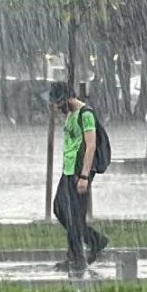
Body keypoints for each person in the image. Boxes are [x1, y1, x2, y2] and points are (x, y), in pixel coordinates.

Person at [47, 82, 109, 274]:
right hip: (68, 170)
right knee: (60, 209)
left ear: (67, 98)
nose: (57, 108)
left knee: (74, 216)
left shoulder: (86, 115)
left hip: (79, 171)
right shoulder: (71, 115)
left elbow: (90, 146)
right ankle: (94, 241)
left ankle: (76, 258)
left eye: (59, 103)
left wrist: (84, 176)